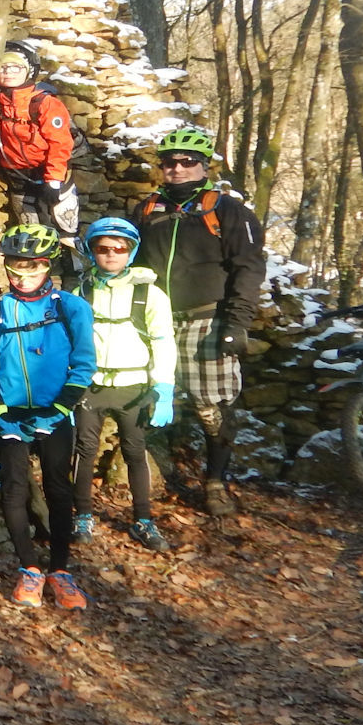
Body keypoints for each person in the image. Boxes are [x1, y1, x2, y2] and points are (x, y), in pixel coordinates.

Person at [128, 126, 266, 518]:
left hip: (207, 319)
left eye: (187, 162)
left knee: (211, 406)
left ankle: (215, 481)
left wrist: (237, 323)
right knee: (141, 395)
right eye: (169, 162)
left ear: (204, 165)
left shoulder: (227, 210)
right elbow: (130, 262)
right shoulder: (147, 210)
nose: (177, 168)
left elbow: (249, 268)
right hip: (153, 320)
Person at [0, 225, 96, 610]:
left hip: (55, 411)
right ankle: (29, 568)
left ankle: (60, 569)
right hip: (11, 413)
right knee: (14, 488)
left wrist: (61, 409)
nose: (23, 277)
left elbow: (84, 362)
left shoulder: (71, 307)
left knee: (59, 488)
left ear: (48, 266)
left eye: (33, 268)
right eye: (16, 269)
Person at [72, 217, 177, 551]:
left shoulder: (151, 294)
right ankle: (83, 515)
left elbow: (163, 340)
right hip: (91, 385)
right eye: (103, 248)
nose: (111, 254)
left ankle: (143, 519)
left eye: (120, 248)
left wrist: (164, 388)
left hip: (134, 386)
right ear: (91, 252)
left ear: (132, 252)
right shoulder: (81, 291)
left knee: (134, 451)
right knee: (85, 450)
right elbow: (70, 340)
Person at [0, 41, 80, 244]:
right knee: (32, 231)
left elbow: (60, 143)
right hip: (18, 174)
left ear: (29, 71)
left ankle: (74, 270)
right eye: (3, 67)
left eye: (16, 67)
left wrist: (53, 180)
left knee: (65, 225)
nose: (9, 72)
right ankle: (35, 272)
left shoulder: (45, 102)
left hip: (49, 171)